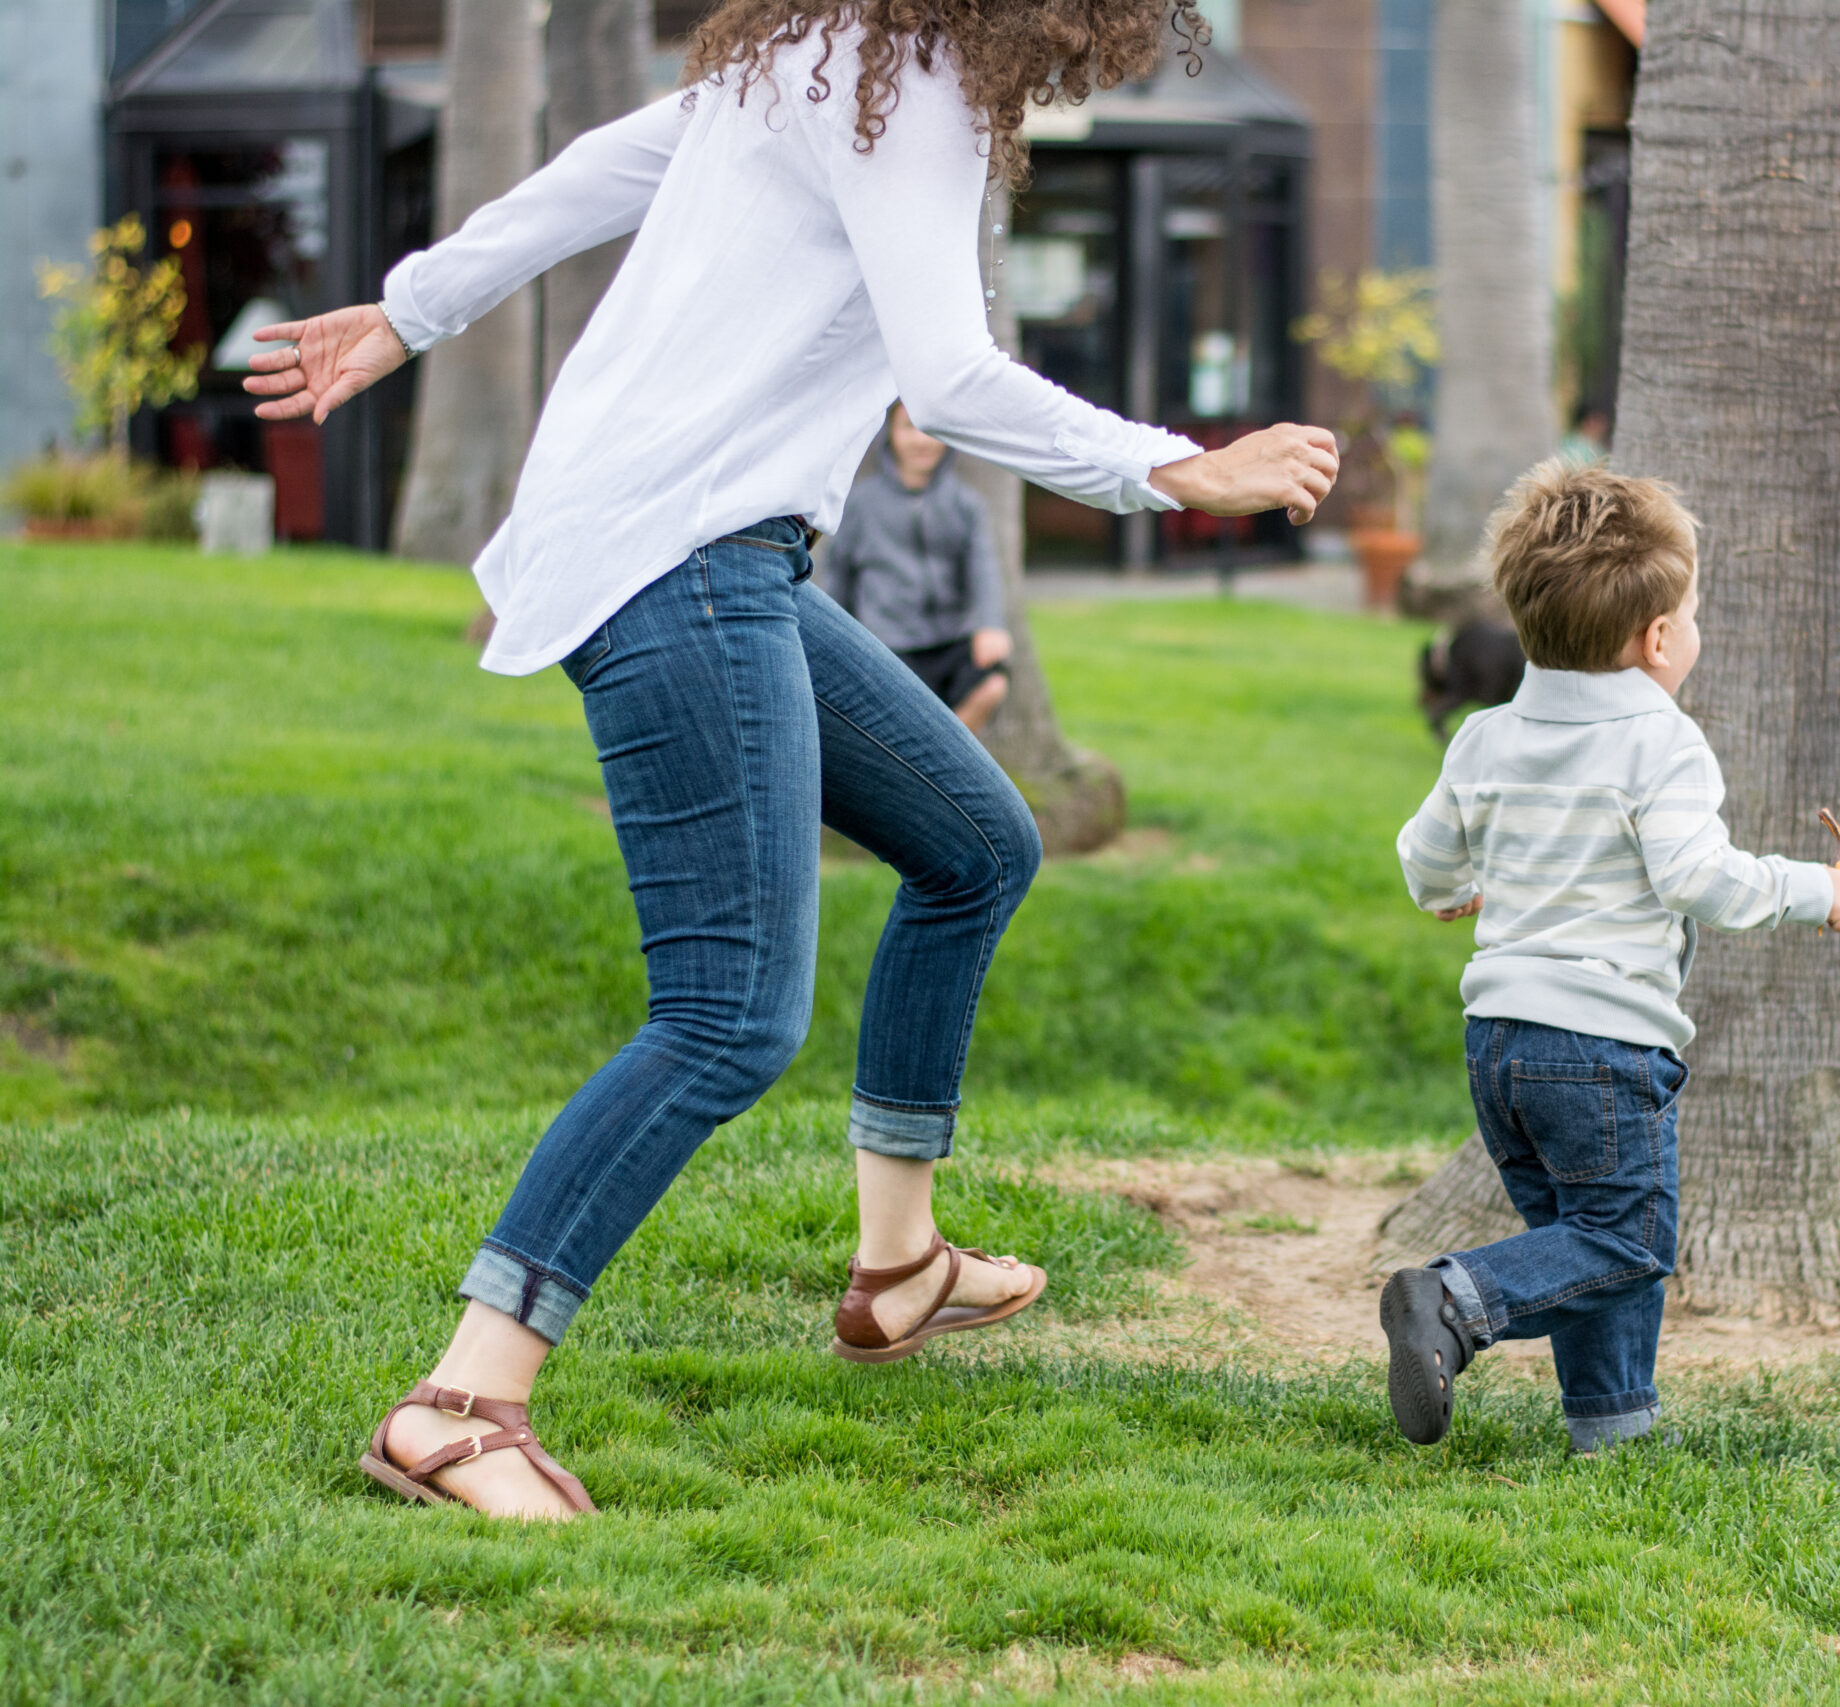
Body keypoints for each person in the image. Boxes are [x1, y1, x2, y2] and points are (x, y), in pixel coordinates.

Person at [243, 0, 1336, 1520]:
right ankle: (459, 1402)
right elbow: (948, 378)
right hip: (680, 555)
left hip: (708, 550)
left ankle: (900, 1265)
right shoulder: (914, 82)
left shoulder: (822, 51)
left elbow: (594, 171)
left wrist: (408, 311)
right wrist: (1173, 465)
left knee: (977, 845)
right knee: (729, 1014)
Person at [1383, 463, 1840, 1454]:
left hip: (1498, 1044)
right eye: (1690, 617)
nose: (1692, 632)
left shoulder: (1484, 736)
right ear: (1656, 640)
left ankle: (1613, 1427)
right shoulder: (1663, 741)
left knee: (1581, 1244)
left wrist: (1452, 893)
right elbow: (1699, 877)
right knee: (1626, 1242)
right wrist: (1819, 889)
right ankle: (1453, 1300)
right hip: (1600, 1048)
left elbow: (1423, 859)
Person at [826, 402, 1012, 733]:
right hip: (889, 645)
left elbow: (983, 568)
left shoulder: (965, 504)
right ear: (890, 435)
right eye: (908, 428)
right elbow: (838, 576)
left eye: (929, 429)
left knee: (993, 682)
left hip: (950, 641)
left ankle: (946, 752)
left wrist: (989, 624)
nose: (921, 440)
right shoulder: (860, 505)